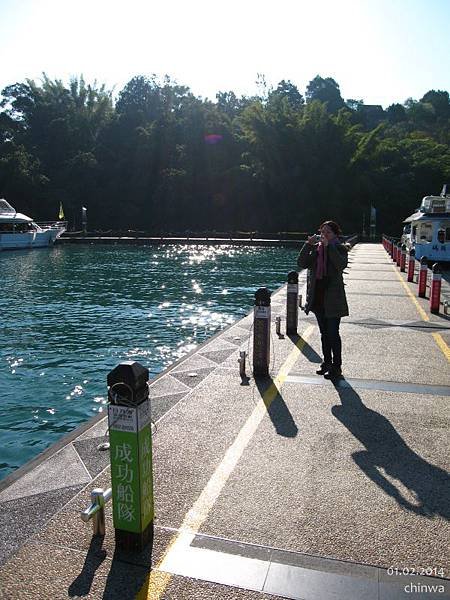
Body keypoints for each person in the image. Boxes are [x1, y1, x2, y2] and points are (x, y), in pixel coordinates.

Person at [297, 220, 349, 379]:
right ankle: (327, 362)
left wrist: (329, 247)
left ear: (335, 235)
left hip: (333, 300)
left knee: (333, 333)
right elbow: (301, 263)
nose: (324, 235)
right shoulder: (316, 251)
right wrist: (308, 245)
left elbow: (340, 265)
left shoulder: (339, 248)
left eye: (328, 232)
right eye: (322, 232)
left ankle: (337, 366)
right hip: (318, 299)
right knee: (324, 333)